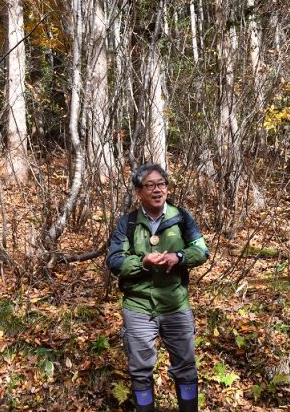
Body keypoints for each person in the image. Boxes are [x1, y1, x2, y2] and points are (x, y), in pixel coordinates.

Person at [107, 163, 209, 412]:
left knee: (186, 368)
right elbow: (115, 261)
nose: (157, 190)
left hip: (175, 305)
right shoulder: (128, 224)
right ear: (138, 192)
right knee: (140, 372)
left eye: (161, 184)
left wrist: (180, 257)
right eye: (150, 185)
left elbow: (202, 250)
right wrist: (141, 262)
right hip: (139, 307)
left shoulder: (181, 217)